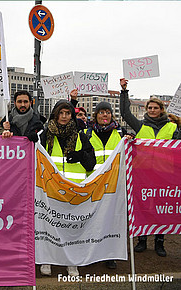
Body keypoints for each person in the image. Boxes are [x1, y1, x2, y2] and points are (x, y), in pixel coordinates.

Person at [120, 78, 179, 257]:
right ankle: (142, 239)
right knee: (144, 206)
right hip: (143, 174)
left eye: (155, 108)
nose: (152, 110)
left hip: (164, 175)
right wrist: (124, 91)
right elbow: (125, 113)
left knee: (160, 208)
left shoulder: (173, 127)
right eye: (150, 108)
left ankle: (160, 242)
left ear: (161, 110)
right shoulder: (140, 126)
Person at [39, 99, 96, 277]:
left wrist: (80, 156)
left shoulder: (81, 136)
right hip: (50, 191)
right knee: (49, 227)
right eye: (61, 113)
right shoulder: (45, 135)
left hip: (74, 192)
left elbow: (91, 164)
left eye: (68, 113)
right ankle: (48, 260)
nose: (64, 117)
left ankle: (71, 263)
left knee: (72, 229)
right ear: (55, 114)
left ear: (71, 115)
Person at [85, 101, 128, 269]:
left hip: (114, 185)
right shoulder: (86, 133)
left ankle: (110, 255)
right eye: (101, 112)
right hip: (93, 183)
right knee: (93, 220)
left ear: (111, 115)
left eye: (107, 112)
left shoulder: (121, 133)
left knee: (111, 220)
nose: (105, 115)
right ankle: (93, 252)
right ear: (96, 115)